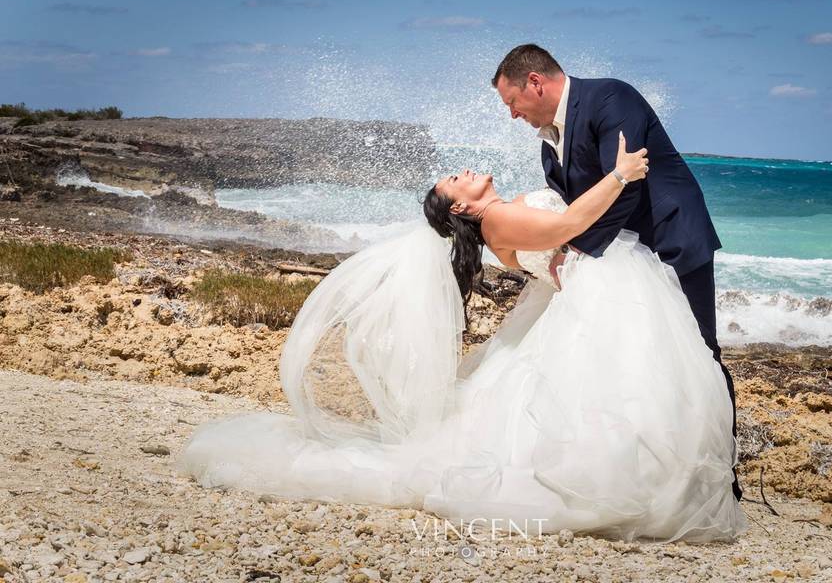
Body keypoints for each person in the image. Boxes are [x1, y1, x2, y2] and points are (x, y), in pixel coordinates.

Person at [177, 132, 748, 544]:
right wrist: (621, 175)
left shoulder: (500, 213)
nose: (463, 171)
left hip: (587, 293)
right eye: (454, 180)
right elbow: (567, 226)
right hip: (597, 292)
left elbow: (558, 238)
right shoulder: (497, 221)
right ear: (462, 206)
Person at [492, 43, 742, 501]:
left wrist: (578, 252)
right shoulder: (549, 146)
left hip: (670, 243)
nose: (512, 115)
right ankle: (657, 474)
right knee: (646, 360)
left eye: (512, 102)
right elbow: (583, 204)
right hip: (627, 262)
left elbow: (628, 185)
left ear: (535, 82)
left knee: (699, 354)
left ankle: (721, 478)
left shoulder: (610, 98)